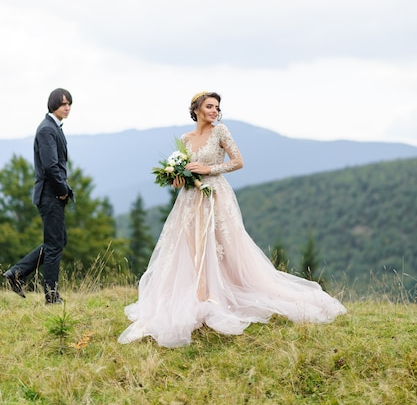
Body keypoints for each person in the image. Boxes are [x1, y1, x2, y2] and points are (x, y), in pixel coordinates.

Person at [118, 92, 346, 347]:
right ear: (196, 110)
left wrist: (209, 169)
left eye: (217, 107)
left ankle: (217, 295)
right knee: (190, 245)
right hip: (191, 199)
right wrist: (177, 178)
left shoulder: (220, 132)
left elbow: (238, 161)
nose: (215, 111)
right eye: (209, 106)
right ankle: (197, 293)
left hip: (216, 195)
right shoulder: (185, 139)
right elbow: (183, 173)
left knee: (223, 246)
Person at [3, 88, 74, 304]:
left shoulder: (54, 128)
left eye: (69, 103)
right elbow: (51, 166)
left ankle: (16, 274)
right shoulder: (46, 129)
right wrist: (62, 192)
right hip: (50, 195)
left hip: (52, 195)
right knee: (54, 245)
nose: (67, 107)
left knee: (58, 241)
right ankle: (51, 297)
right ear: (52, 104)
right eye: (63, 103)